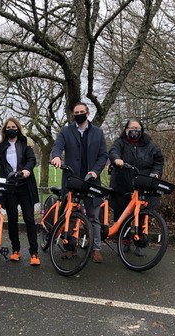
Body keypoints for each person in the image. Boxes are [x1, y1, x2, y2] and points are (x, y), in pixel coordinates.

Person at [0, 118, 41, 266]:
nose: (11, 129)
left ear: (18, 128)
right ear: (5, 130)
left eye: (14, 127)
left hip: (24, 186)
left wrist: (27, 170)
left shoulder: (26, 144)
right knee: (12, 219)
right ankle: (15, 250)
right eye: (8, 127)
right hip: (9, 186)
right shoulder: (1, 146)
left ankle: (34, 252)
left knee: (29, 219)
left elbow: (32, 160)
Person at [50, 102, 108, 263]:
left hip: (91, 180)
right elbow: (57, 147)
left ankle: (95, 249)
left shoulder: (98, 132)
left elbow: (103, 156)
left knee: (93, 217)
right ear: (73, 115)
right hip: (72, 179)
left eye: (82, 111)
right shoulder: (66, 131)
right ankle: (70, 248)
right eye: (77, 112)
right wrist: (55, 156)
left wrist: (95, 171)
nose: (79, 114)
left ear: (88, 113)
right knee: (71, 215)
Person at [108, 119, 164, 255]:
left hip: (143, 183)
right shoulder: (120, 143)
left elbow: (159, 161)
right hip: (122, 183)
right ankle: (124, 241)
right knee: (122, 213)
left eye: (137, 128)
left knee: (142, 214)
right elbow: (113, 151)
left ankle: (141, 242)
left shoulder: (151, 145)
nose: (135, 131)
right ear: (126, 130)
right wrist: (117, 160)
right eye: (132, 128)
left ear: (141, 130)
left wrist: (155, 174)